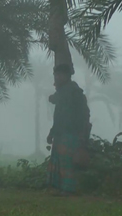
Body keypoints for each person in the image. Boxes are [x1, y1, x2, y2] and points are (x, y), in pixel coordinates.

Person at [47, 64, 91, 196]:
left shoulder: (74, 92)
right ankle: (61, 188)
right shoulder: (63, 91)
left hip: (72, 132)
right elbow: (59, 115)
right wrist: (52, 132)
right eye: (56, 75)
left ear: (67, 76)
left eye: (59, 75)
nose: (57, 78)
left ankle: (68, 189)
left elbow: (84, 114)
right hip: (61, 132)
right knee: (59, 162)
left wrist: (83, 135)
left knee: (67, 162)